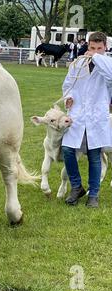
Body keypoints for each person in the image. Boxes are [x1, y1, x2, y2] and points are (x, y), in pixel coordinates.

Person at [62, 32, 112, 208]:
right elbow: (68, 84)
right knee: (67, 150)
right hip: (77, 114)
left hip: (97, 117)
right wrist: (68, 96)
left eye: (99, 48)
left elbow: (111, 75)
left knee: (94, 156)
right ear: (87, 47)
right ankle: (76, 187)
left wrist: (96, 57)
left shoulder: (108, 64)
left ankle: (94, 195)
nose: (95, 52)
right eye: (92, 48)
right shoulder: (78, 64)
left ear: (105, 47)